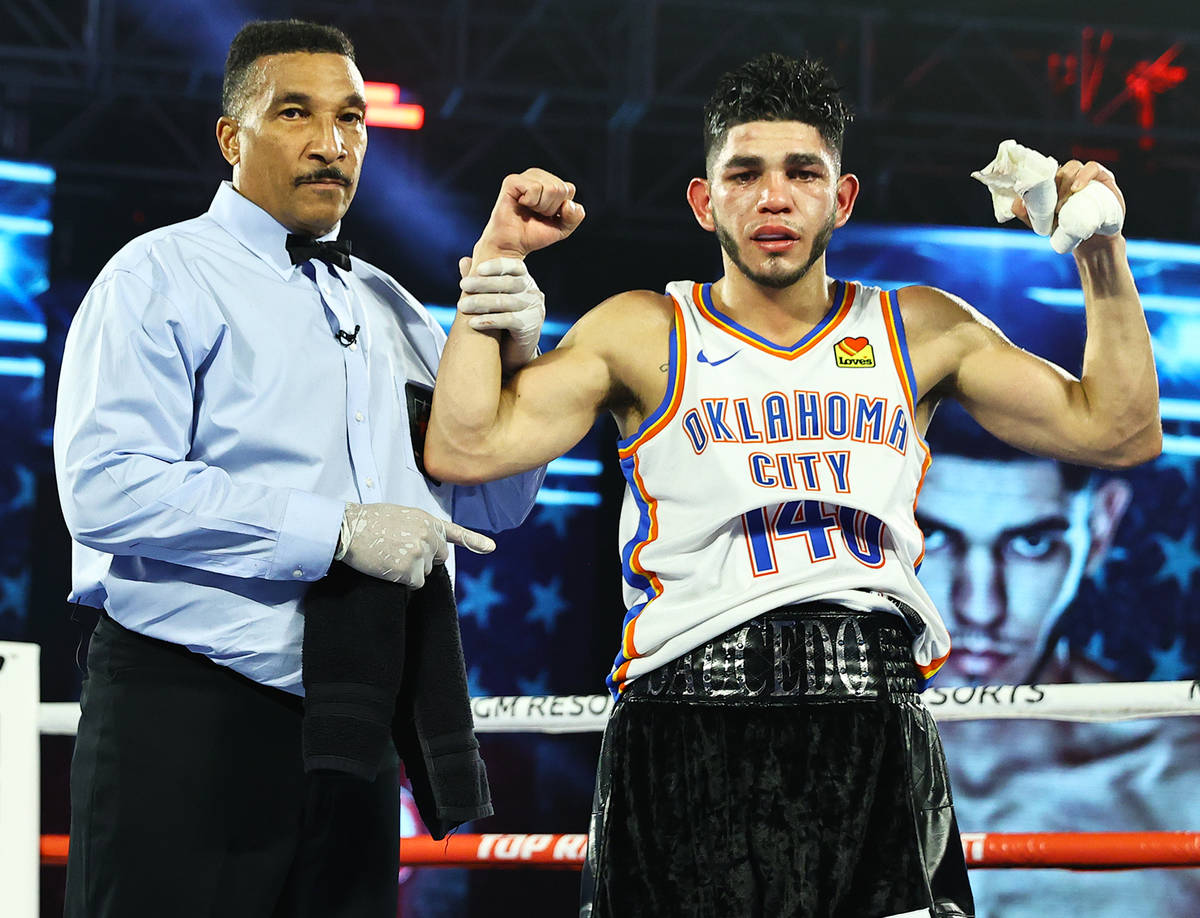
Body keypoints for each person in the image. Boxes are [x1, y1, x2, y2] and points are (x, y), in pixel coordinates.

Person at [424, 52, 1160, 918]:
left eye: (802, 172)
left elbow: (1119, 429)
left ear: (840, 198)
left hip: (871, 712)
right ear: (706, 201)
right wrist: (496, 257)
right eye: (745, 173)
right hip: (686, 713)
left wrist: (1100, 250)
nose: (774, 197)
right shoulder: (643, 331)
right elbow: (466, 450)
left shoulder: (918, 329)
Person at [53, 19, 544, 918]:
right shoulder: (158, 276)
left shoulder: (393, 307)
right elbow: (106, 486)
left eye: (352, 119)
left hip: (350, 724)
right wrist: (337, 531)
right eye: (296, 113)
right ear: (230, 137)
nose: (333, 143)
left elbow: (491, 499)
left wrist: (512, 357)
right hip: (186, 714)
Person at [917, 432, 1200, 917]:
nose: (981, 609)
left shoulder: (1181, 780)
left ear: (1102, 524)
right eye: (934, 538)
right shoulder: (803, 764)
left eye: (1031, 543)